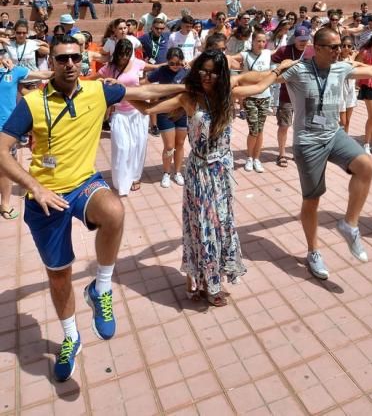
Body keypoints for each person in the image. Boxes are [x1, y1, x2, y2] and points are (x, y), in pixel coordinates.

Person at [0, 35, 182, 381]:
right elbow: (1, 148)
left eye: (74, 58)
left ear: (83, 60)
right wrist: (33, 187)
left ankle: (101, 288)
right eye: (61, 59)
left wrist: (194, 86)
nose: (69, 64)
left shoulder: (98, 91)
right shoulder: (34, 103)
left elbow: (145, 94)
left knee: (114, 211)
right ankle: (71, 337)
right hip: (45, 196)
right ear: (50, 63)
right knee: (59, 275)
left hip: (84, 183)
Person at [132, 49, 291, 306]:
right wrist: (120, 94)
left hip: (222, 171)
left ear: (222, 75)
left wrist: (279, 67)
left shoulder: (229, 96)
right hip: (198, 171)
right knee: (200, 226)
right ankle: (204, 281)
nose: (207, 76)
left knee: (221, 226)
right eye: (203, 70)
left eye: (213, 72)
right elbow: (150, 105)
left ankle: (207, 278)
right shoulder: (188, 98)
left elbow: (261, 85)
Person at [274, 27, 372, 280]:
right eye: (334, 47)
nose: (340, 51)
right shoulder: (298, 71)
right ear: (318, 48)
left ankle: (349, 225)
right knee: (312, 200)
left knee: (366, 166)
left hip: (333, 134)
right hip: (308, 142)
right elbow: (262, 79)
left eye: (341, 46)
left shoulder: (342, 67)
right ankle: (313, 252)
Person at [0, 45, 51, 220]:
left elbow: (43, 75)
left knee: (5, 168)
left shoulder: (14, 71)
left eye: (1, 52)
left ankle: (5, 204)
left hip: (7, 130)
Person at [97, 39, 150, 195]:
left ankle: (135, 176)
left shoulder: (137, 63)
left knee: (137, 147)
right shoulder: (109, 67)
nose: (124, 57)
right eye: (122, 54)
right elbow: (94, 78)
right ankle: (121, 181)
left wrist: (175, 65)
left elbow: (157, 68)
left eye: (127, 54)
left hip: (137, 113)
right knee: (122, 147)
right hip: (120, 114)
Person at [271, 26, 314, 167]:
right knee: (284, 125)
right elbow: (271, 62)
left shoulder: (312, 51)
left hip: (306, 95)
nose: (303, 42)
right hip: (286, 95)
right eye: (300, 39)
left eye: (305, 39)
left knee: (302, 126)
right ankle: (282, 154)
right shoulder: (284, 50)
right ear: (294, 38)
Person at [146, 47, 188, 188]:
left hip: (182, 112)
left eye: (177, 63)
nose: (175, 66)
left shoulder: (186, 71)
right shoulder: (162, 71)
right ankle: (166, 173)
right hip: (165, 112)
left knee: (180, 144)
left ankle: (177, 172)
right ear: (167, 62)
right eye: (171, 63)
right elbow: (145, 82)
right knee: (169, 146)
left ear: (182, 61)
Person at [233, 30, 273, 173]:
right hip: (250, 97)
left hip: (265, 97)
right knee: (253, 130)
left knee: (260, 129)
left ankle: (257, 158)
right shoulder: (245, 55)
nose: (261, 44)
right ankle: (249, 158)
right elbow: (229, 59)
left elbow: (284, 54)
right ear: (253, 42)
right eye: (258, 41)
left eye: (263, 41)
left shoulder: (268, 53)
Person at [339, 36, 357, 133]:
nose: (346, 48)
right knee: (342, 121)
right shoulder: (336, 58)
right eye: (344, 45)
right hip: (340, 92)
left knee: (348, 121)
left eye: (349, 46)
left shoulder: (353, 57)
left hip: (351, 91)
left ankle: (346, 139)